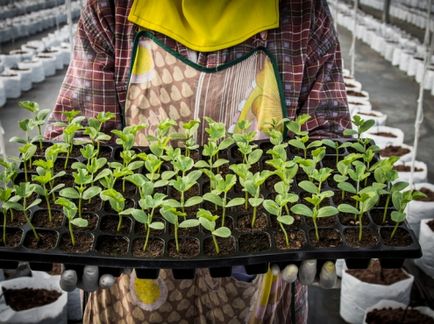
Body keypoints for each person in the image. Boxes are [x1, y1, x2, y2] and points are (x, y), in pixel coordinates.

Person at [46, 0, 351, 323]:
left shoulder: (303, 12)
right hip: (135, 261)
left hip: (262, 261)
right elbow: (81, 131)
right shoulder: (112, 9)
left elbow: (326, 133)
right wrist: (76, 219)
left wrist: (322, 223)